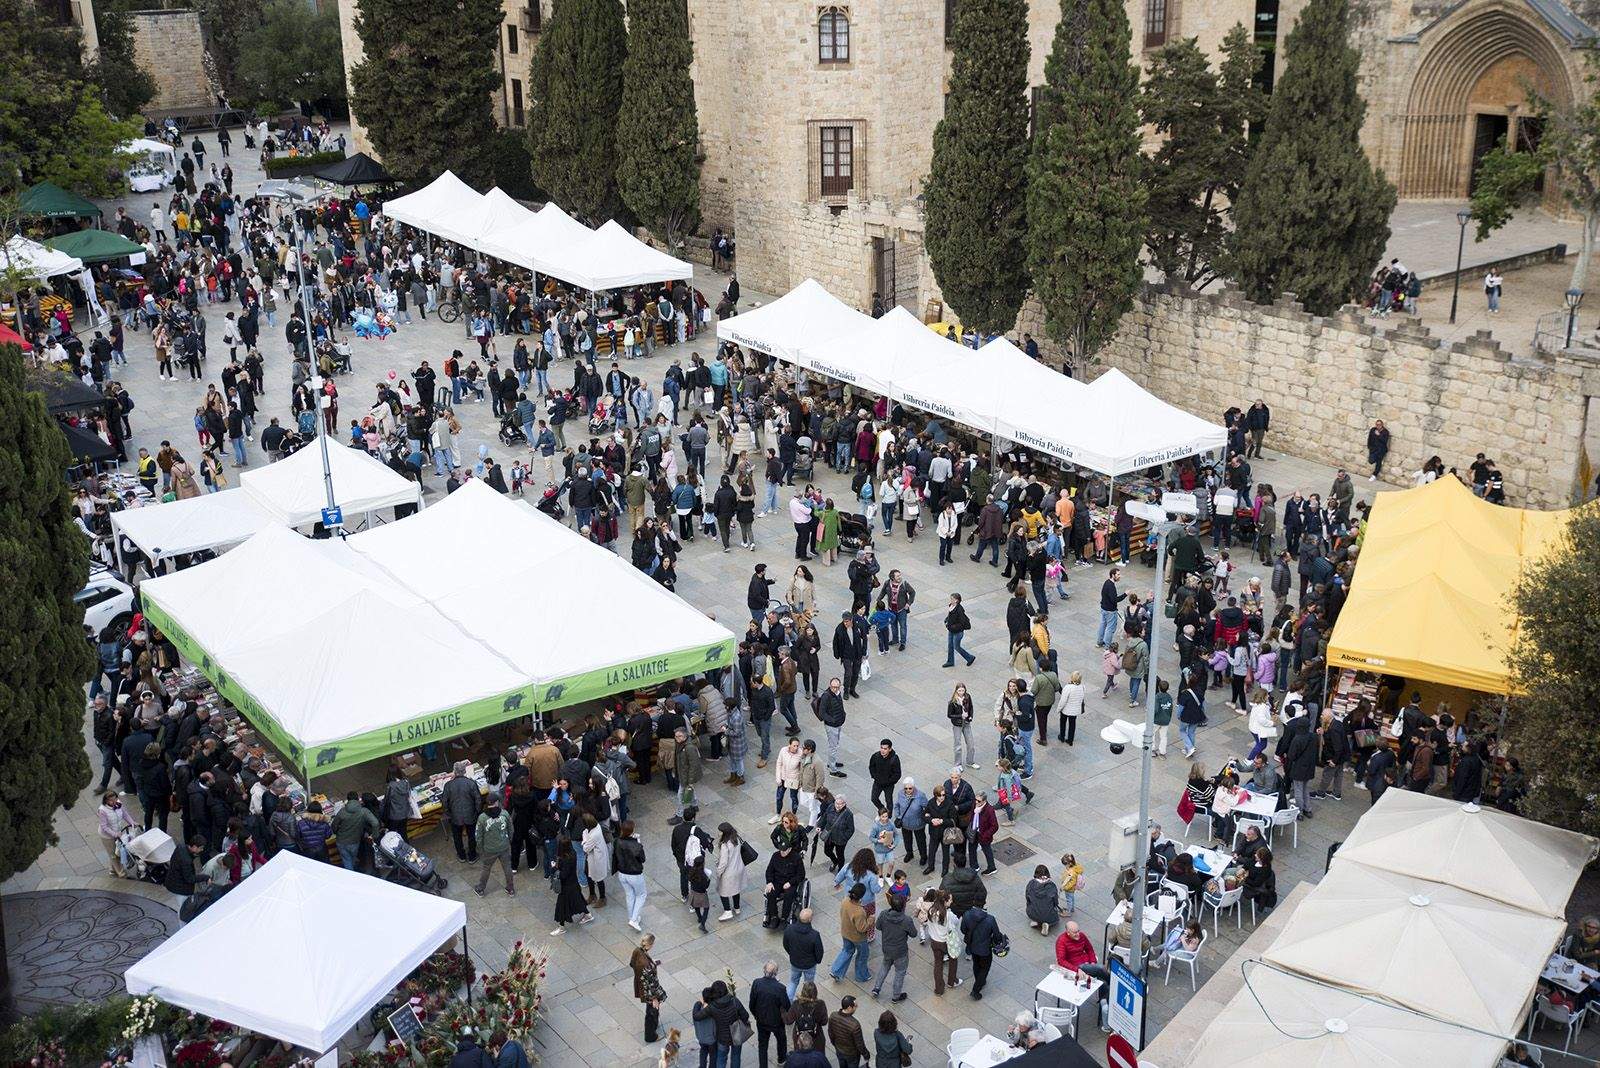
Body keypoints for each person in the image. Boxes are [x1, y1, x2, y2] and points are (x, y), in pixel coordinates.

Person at [695, 980, 753, 1068]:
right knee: (736, 1056)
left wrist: (698, 1003)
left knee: (721, 1058)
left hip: (722, 1038)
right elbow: (745, 1016)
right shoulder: (734, 1001)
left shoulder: (712, 1006)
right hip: (736, 1034)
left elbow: (697, 1017)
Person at [870, 895, 918, 1001]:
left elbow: (878, 926)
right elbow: (914, 934)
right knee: (900, 972)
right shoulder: (906, 920)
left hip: (887, 948)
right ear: (903, 906)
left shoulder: (883, 914)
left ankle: (876, 988)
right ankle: (896, 996)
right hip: (900, 952)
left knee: (884, 966)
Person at [749, 962, 791, 1068]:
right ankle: (781, 1060)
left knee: (762, 1046)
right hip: (776, 1022)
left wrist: (756, 1015)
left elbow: (751, 1004)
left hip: (761, 1020)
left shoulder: (757, 983)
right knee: (781, 1040)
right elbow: (787, 1005)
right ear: (776, 973)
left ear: (764, 970)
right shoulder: (780, 988)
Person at [831, 884, 874, 984]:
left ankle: (836, 971)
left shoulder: (845, 901)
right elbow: (862, 928)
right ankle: (861, 976)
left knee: (847, 950)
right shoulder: (859, 911)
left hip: (845, 932)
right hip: (858, 938)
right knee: (863, 955)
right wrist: (870, 920)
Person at [552, 838, 594, 934]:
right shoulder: (573, 853)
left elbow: (563, 875)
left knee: (561, 907)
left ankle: (561, 927)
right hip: (574, 883)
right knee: (578, 900)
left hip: (566, 887)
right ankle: (588, 915)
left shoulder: (564, 859)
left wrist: (554, 868)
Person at [959, 902, 1000, 1000]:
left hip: (972, 946)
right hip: (985, 949)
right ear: (983, 905)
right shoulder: (990, 919)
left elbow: (963, 929)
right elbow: (997, 935)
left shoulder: (967, 914)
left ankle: (979, 980)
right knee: (985, 968)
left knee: (976, 964)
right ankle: (976, 989)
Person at [443, 761, 482, 862]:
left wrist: (449, 814)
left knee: (457, 837)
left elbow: (445, 802)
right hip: (470, 815)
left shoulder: (448, 785)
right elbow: (478, 800)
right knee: (471, 836)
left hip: (455, 816)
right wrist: (477, 812)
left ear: (454, 772)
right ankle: (472, 856)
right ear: (464, 771)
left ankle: (461, 855)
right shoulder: (471, 783)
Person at [631, 933, 666, 1043]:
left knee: (651, 1010)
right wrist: (654, 998)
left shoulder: (637, 950)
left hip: (641, 985)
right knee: (652, 1011)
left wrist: (652, 963)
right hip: (649, 991)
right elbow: (651, 983)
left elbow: (632, 964)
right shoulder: (646, 965)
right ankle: (650, 1035)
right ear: (650, 944)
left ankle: (653, 1027)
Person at [784, 909, 826, 998]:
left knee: (793, 982)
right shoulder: (814, 935)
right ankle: (806, 1001)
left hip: (795, 962)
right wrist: (817, 961)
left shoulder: (789, 929)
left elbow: (785, 944)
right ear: (810, 919)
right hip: (809, 965)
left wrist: (792, 954)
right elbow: (819, 951)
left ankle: (788, 1001)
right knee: (808, 986)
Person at [828, 995, 869, 1068]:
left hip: (839, 1050)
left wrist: (835, 1044)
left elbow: (830, 1033)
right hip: (852, 1054)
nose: (856, 1007)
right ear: (849, 1008)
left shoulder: (833, 1016)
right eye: (855, 1006)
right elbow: (859, 1044)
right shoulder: (855, 1024)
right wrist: (866, 1054)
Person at [947, 683, 978, 769]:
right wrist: (960, 716)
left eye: (963, 690)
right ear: (956, 691)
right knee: (958, 745)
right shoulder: (952, 702)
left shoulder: (967, 697)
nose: (961, 692)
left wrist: (971, 716)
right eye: (959, 690)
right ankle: (958, 764)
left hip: (967, 723)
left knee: (971, 744)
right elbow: (949, 715)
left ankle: (970, 761)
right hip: (957, 724)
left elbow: (971, 707)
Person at [1025, 864, 1060, 932]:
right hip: (1048, 915)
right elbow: (1055, 901)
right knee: (1053, 914)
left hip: (1033, 913)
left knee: (1034, 907)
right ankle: (1046, 923)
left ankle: (1037, 921)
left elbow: (1027, 898)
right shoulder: (1051, 886)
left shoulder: (1031, 884)